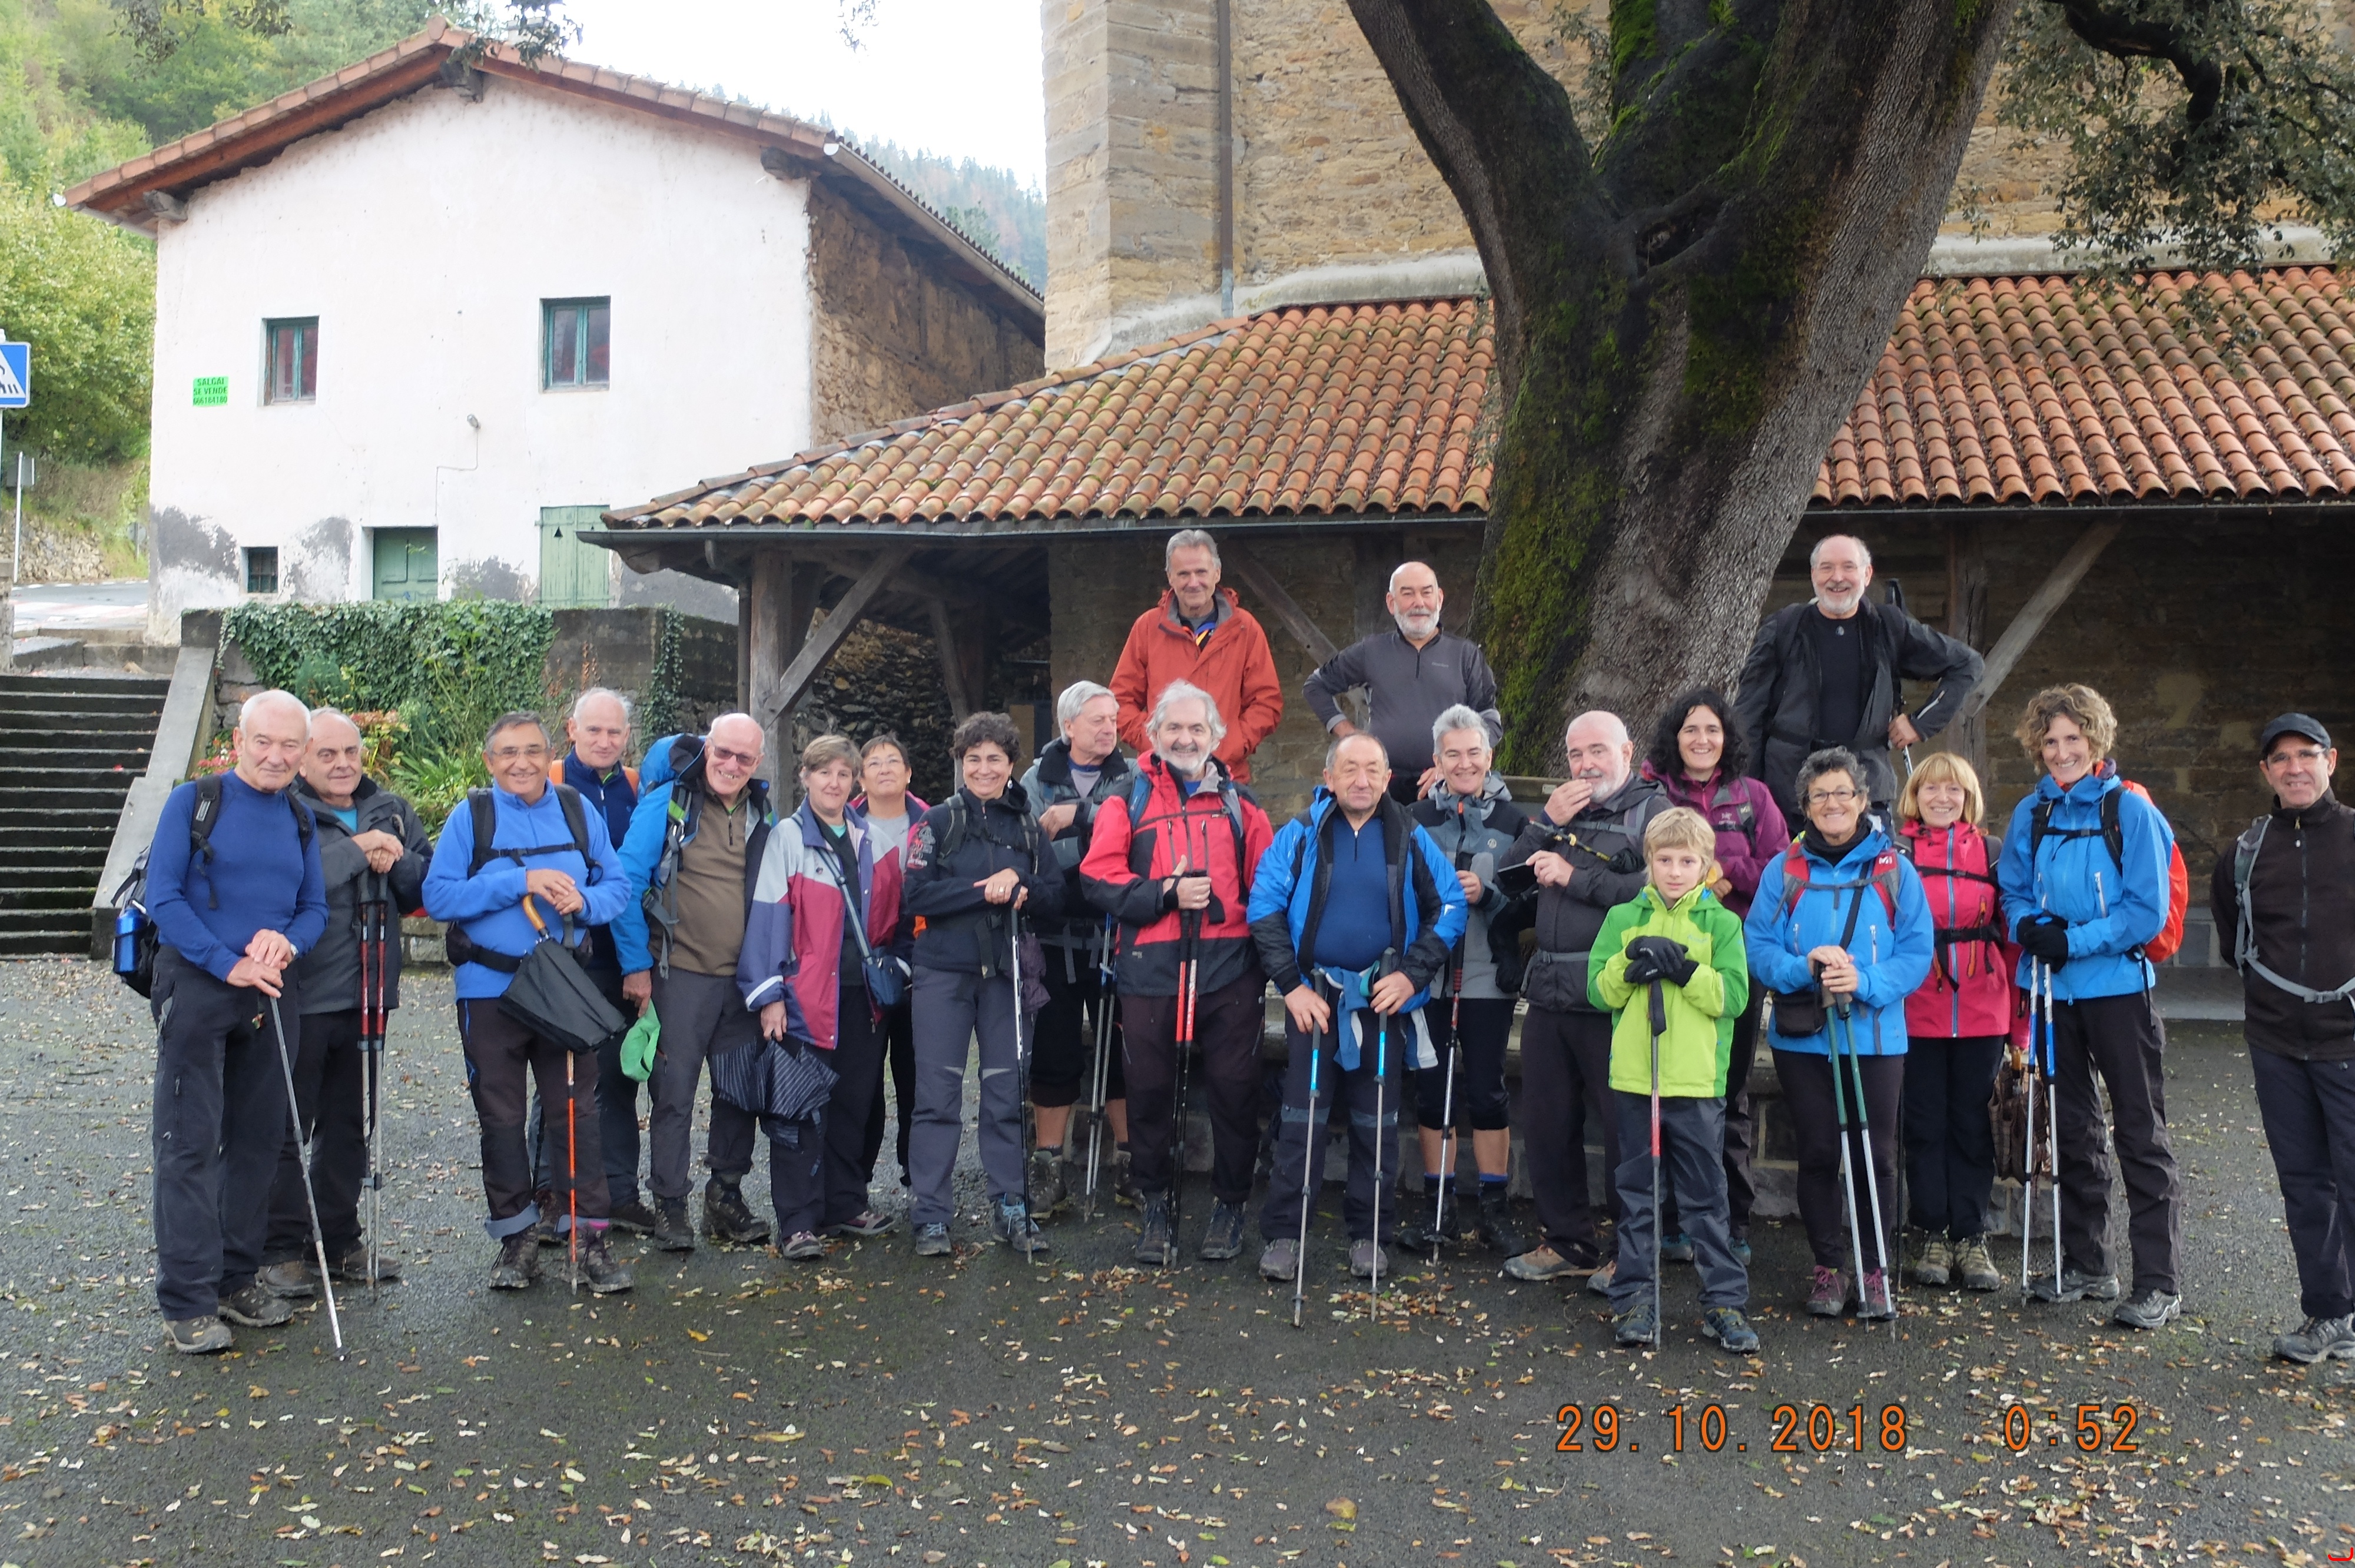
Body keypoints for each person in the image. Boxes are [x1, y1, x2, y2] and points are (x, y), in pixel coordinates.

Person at [143, 689, 328, 1353]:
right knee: (189, 1144)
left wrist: (287, 943)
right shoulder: (194, 802)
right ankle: (188, 1299)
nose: (276, 756)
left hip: (271, 990)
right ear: (239, 742)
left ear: (303, 752)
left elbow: (313, 908)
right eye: (263, 742)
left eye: (289, 745)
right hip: (199, 986)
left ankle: (235, 1278)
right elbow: (163, 896)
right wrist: (228, 963)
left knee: (257, 1142)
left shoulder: (301, 818)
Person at [423, 711, 632, 1293]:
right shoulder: (472, 816)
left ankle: (588, 1239)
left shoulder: (576, 809)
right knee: (502, 1118)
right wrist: (522, 881)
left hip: (561, 987)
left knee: (577, 1113)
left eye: (533, 751)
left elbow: (617, 886)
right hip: (489, 990)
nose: (522, 763)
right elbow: (438, 897)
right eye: (509, 753)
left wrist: (584, 904)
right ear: (489, 762)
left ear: (550, 754)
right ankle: (517, 1241)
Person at [1997, 684, 2184, 1328]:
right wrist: (2027, 925)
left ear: (2095, 739)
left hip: (2118, 991)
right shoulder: (2032, 812)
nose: (2061, 751)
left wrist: (2071, 941)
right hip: (2054, 993)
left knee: (2139, 1132)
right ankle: (2088, 1263)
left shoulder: (2129, 810)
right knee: (2072, 1128)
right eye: (2050, 741)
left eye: (2072, 738)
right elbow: (2012, 890)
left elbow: (2145, 910)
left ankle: (2158, 1281)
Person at [1251, 733, 1468, 1284]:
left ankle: (1371, 1235)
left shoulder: (1409, 835)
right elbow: (1265, 905)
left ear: (1388, 777)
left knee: (1377, 1121)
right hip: (1314, 1001)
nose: (1362, 780)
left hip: (1380, 1004)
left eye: (1373, 769)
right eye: (1349, 769)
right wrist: (1290, 986)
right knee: (1301, 1118)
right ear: (1329, 778)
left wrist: (1411, 974)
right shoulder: (1301, 832)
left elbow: (1450, 905)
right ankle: (1284, 1234)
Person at [1081, 681, 1275, 1263]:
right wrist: (1164, 893)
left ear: (1215, 736)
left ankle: (1230, 1205)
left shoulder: (1243, 805)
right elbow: (1098, 877)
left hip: (1229, 966)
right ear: (1154, 735)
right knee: (1148, 1091)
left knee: (1235, 1090)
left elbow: (1267, 889)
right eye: (1174, 728)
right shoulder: (1126, 799)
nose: (1186, 739)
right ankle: (1155, 1206)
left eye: (1197, 729)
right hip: (1150, 966)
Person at [1744, 746, 1933, 1320]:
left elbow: (1916, 952)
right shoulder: (1784, 870)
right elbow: (1758, 946)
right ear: (1804, 806)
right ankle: (1828, 1266)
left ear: (1863, 800)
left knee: (1875, 1157)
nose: (1832, 803)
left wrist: (1865, 980)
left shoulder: (1895, 870)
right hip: (1803, 1037)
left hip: (1874, 1036)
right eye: (1819, 795)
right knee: (1820, 1152)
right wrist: (1802, 967)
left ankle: (1874, 1269)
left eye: (1842, 793)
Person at [257, 709, 432, 1300]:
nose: (342, 764)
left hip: (369, 994)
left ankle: (336, 1237)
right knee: (288, 1124)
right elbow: (287, 881)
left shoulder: (392, 810)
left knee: (350, 1125)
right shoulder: (284, 811)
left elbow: (426, 885)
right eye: (327, 754)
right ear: (304, 759)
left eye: (351, 753)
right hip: (303, 995)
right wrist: (360, 850)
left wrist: (395, 857)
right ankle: (279, 1248)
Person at [1497, 711, 1664, 1292]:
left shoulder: (1653, 813)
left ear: (1627, 751)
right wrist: (1545, 822)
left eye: (1597, 751)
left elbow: (1657, 890)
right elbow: (1507, 879)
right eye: (1575, 754)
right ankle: (1567, 1242)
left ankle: (1630, 1253)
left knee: (1624, 1132)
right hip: (1548, 989)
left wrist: (1573, 878)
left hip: (1615, 995)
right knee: (1547, 1122)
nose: (1586, 764)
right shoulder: (1562, 810)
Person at [1588, 808, 1757, 1352]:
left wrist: (1685, 971)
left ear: (1705, 866)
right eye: (1665, 860)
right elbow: (1599, 991)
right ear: (1650, 862)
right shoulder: (1623, 918)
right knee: (1638, 1195)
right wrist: (1628, 963)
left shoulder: (1722, 924)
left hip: (1696, 1083)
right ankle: (1635, 1300)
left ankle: (1724, 1304)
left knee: (1706, 1198)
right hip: (1637, 1080)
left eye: (1688, 861)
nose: (1676, 871)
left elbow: (1734, 998)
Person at [2213, 715, 2355, 1362]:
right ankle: (2329, 1314)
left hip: (2348, 1042)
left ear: (2331, 761)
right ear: (2266, 772)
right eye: (2281, 759)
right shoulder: (2245, 853)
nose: (2295, 767)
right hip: (2275, 1043)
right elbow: (2233, 941)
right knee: (2304, 1184)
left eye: (2307, 754)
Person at [611, 715, 777, 1254]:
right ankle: (671, 1205)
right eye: (723, 752)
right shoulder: (668, 803)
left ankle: (724, 1197)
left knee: (738, 1094)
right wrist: (635, 965)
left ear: (758, 763)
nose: (731, 764)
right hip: (677, 973)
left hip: (744, 981)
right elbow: (627, 882)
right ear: (707, 749)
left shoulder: (762, 812)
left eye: (744, 758)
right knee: (674, 1094)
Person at [903, 712, 1064, 1257]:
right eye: (973, 759)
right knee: (937, 1096)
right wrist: (984, 889)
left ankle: (1011, 1207)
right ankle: (931, 1216)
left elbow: (1055, 897)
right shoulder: (936, 823)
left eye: (995, 758)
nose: (984, 768)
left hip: (1006, 976)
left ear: (1012, 764)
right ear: (961, 763)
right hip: (943, 976)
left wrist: (1021, 881)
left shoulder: (1028, 826)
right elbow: (915, 896)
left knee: (1005, 1094)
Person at [1640, 687, 1789, 1266]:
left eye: (1712, 730)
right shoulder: (1653, 793)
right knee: (1666, 1090)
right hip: (1662, 958)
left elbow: (1779, 866)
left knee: (1727, 1091)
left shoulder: (1753, 796)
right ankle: (1672, 1221)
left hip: (1732, 960)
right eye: (1690, 730)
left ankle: (1731, 1221)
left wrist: (1726, 870)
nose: (1702, 740)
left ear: (1727, 738)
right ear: (1674, 738)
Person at [739, 735, 904, 1255]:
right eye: (824, 773)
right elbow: (768, 918)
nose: (834, 783)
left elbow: (893, 920)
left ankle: (844, 1204)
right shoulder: (786, 838)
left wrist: (898, 966)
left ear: (855, 782)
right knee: (798, 1112)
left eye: (843, 774)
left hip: (861, 999)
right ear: (805, 777)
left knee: (854, 1105)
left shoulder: (872, 839)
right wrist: (769, 994)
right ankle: (798, 1222)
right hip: (804, 1000)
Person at [1401, 706, 1534, 1256]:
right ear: (1436, 760)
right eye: (1451, 754)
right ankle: (1440, 1208)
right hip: (1427, 979)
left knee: (1485, 1090)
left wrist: (1488, 895)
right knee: (1433, 1091)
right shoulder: (1411, 819)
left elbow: (1533, 902)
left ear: (1489, 755)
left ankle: (1495, 1209)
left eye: (1473, 753)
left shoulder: (1516, 823)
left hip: (1486, 976)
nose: (1463, 763)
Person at [1733, 534, 1983, 820]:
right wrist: (1747, 792)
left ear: (1867, 574)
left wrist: (1920, 723)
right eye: (1827, 568)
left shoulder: (1888, 627)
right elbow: (1748, 716)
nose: (1837, 577)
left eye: (1848, 567)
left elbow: (1968, 664)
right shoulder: (1783, 628)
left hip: (1866, 793)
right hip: (1788, 797)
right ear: (1813, 575)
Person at [1894, 751, 2023, 1293]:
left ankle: (1970, 1234)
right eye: (1931, 788)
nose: (1942, 798)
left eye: (1954, 790)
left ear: (1969, 797)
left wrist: (2020, 1027)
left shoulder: (1993, 855)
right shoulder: (1895, 856)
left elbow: (2012, 940)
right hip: (1916, 1007)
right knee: (1924, 1123)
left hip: (1982, 1007)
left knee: (1974, 1124)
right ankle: (1931, 1232)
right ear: (1915, 796)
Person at [1019, 680, 1136, 1217]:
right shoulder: (1036, 780)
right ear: (1069, 727)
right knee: (1054, 1051)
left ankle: (1130, 1161)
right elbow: (1029, 847)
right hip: (1054, 937)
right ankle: (1049, 1166)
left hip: (1116, 936)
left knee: (1123, 1052)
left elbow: (1138, 830)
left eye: (1113, 719)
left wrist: (1082, 819)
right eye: (1097, 720)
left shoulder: (1132, 778)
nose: (1110, 729)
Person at [540, 687, 646, 1231]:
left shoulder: (637, 789)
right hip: (561, 957)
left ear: (628, 736)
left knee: (618, 1079)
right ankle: (550, 1197)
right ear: (572, 729)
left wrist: (639, 960)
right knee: (558, 1080)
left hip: (620, 957)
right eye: (594, 730)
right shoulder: (548, 783)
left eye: (614, 732)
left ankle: (619, 1194)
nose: (605, 741)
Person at [1302, 560, 1502, 802]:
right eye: (1408, 594)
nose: (1419, 603)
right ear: (1391, 602)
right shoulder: (1372, 651)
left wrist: (1453, 767)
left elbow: (1489, 719)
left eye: (1426, 593)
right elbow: (1316, 686)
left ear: (1439, 598)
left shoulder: (1465, 656)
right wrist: (1348, 734)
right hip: (1385, 789)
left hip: (1446, 790)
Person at [1110, 529, 1283, 783]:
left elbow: (1267, 704)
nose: (1193, 583)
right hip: (1160, 779)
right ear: (1170, 577)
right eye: (1183, 574)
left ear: (1217, 573)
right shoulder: (1147, 628)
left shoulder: (1245, 628)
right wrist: (1157, 742)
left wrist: (1227, 745)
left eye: (1201, 572)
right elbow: (1120, 701)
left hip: (1226, 777)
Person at [853, 735, 927, 1193]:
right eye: (874, 763)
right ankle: (854, 1181)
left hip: (922, 969)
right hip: (863, 968)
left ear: (908, 773)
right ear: (861, 778)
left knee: (917, 1077)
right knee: (862, 1081)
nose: (884, 769)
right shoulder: (843, 824)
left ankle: (919, 1175)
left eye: (893, 761)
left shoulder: (933, 823)